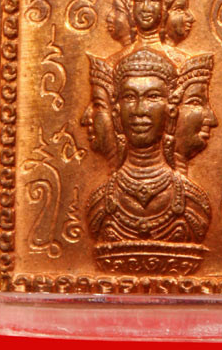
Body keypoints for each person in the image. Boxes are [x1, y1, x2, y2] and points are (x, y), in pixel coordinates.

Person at [86, 49, 211, 243]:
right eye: (129, 97)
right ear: (116, 112)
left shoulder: (194, 203)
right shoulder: (100, 205)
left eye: (153, 96)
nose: (139, 110)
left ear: (171, 110)